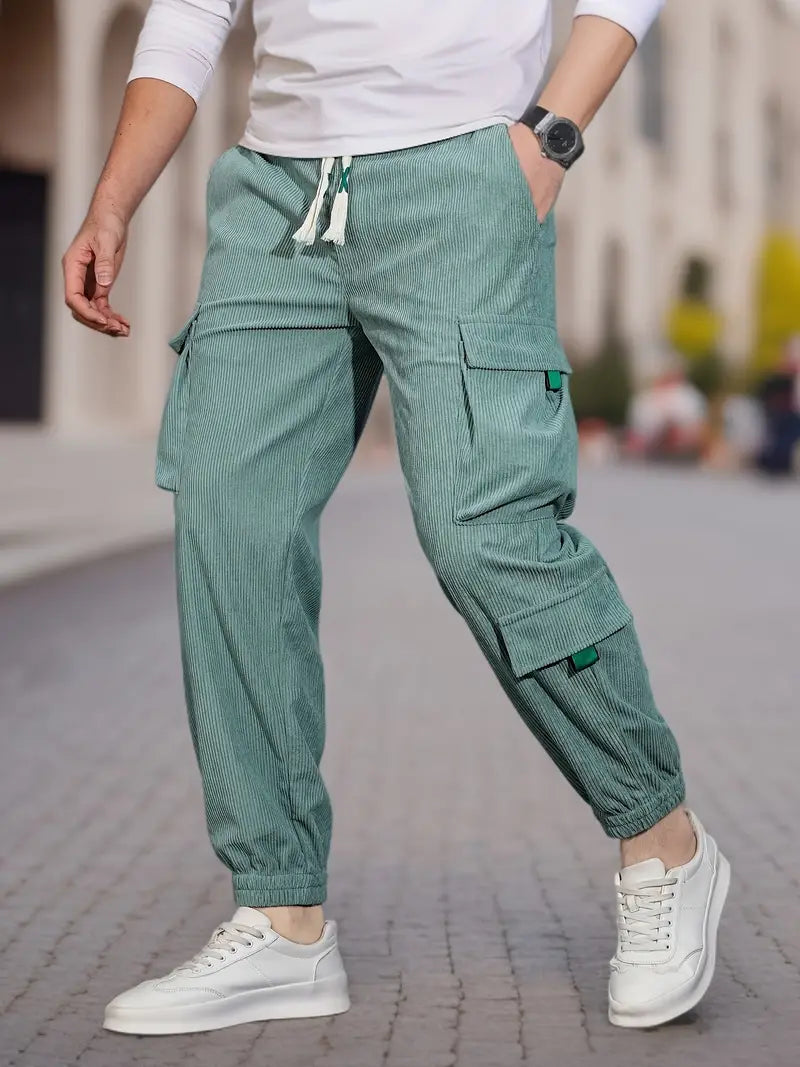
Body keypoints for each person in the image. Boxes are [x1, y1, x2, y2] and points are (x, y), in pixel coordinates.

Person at [62, 0, 730, 1036]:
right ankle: (280, 914)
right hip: (275, 195)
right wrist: (112, 201)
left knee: (484, 531)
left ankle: (662, 838)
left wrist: (548, 137)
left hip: (463, 179)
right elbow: (191, 14)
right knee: (229, 527)